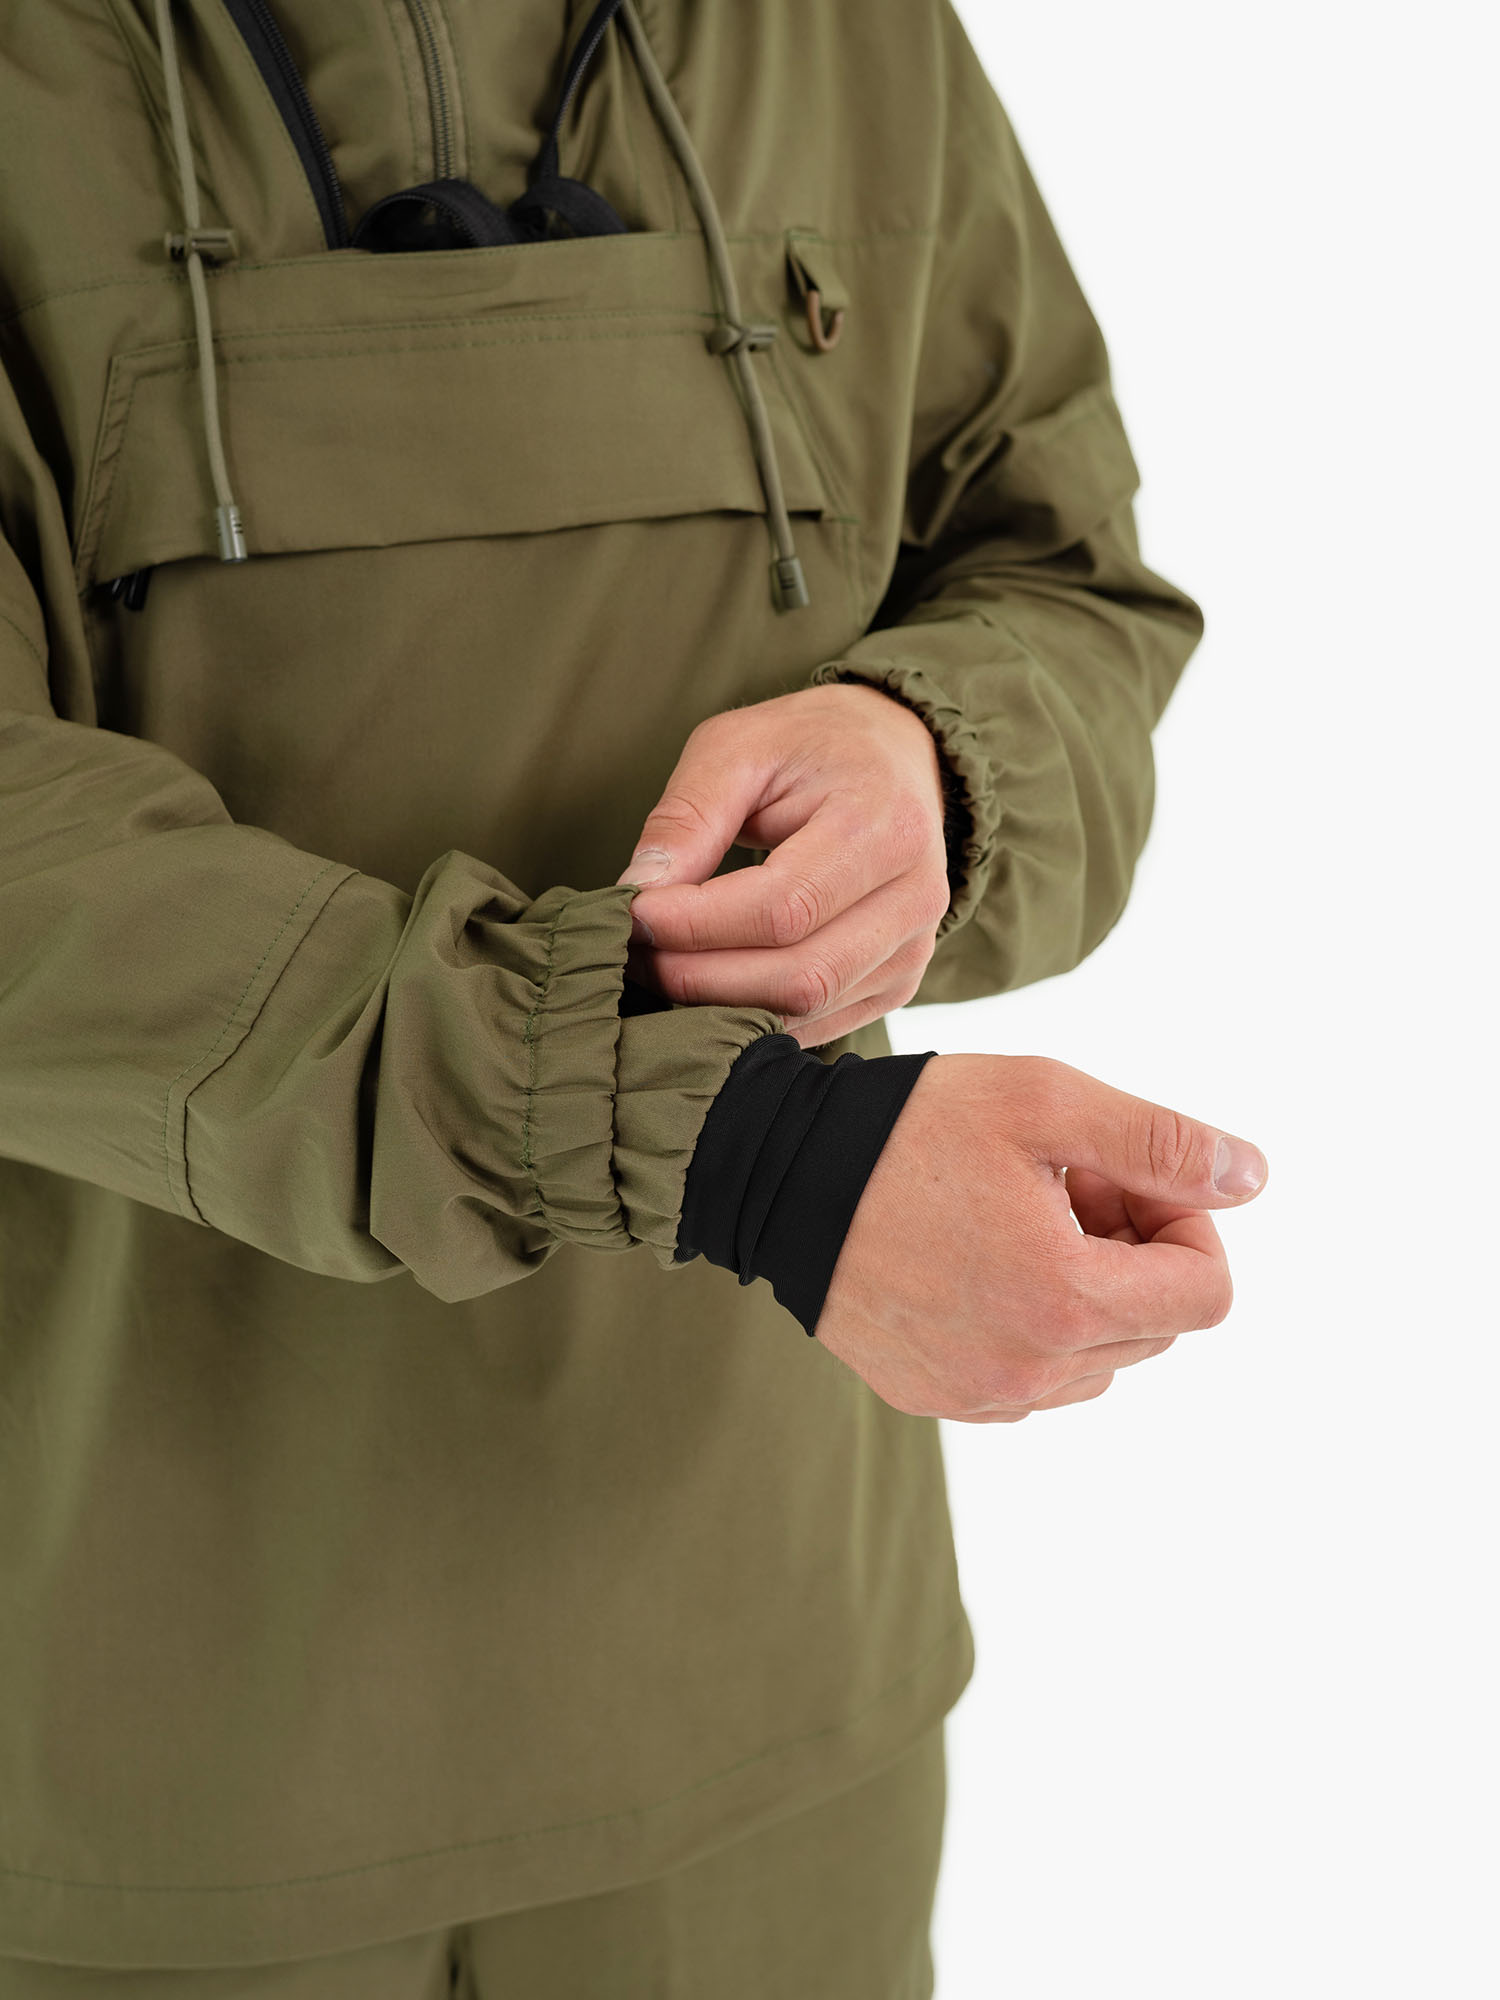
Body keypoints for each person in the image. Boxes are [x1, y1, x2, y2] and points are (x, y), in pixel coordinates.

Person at [0, 0, 1266, 1991]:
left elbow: (1064, 576)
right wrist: (747, 1154)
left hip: (781, 1721)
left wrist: (927, 755)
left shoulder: (841, 34)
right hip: (146, 1766)